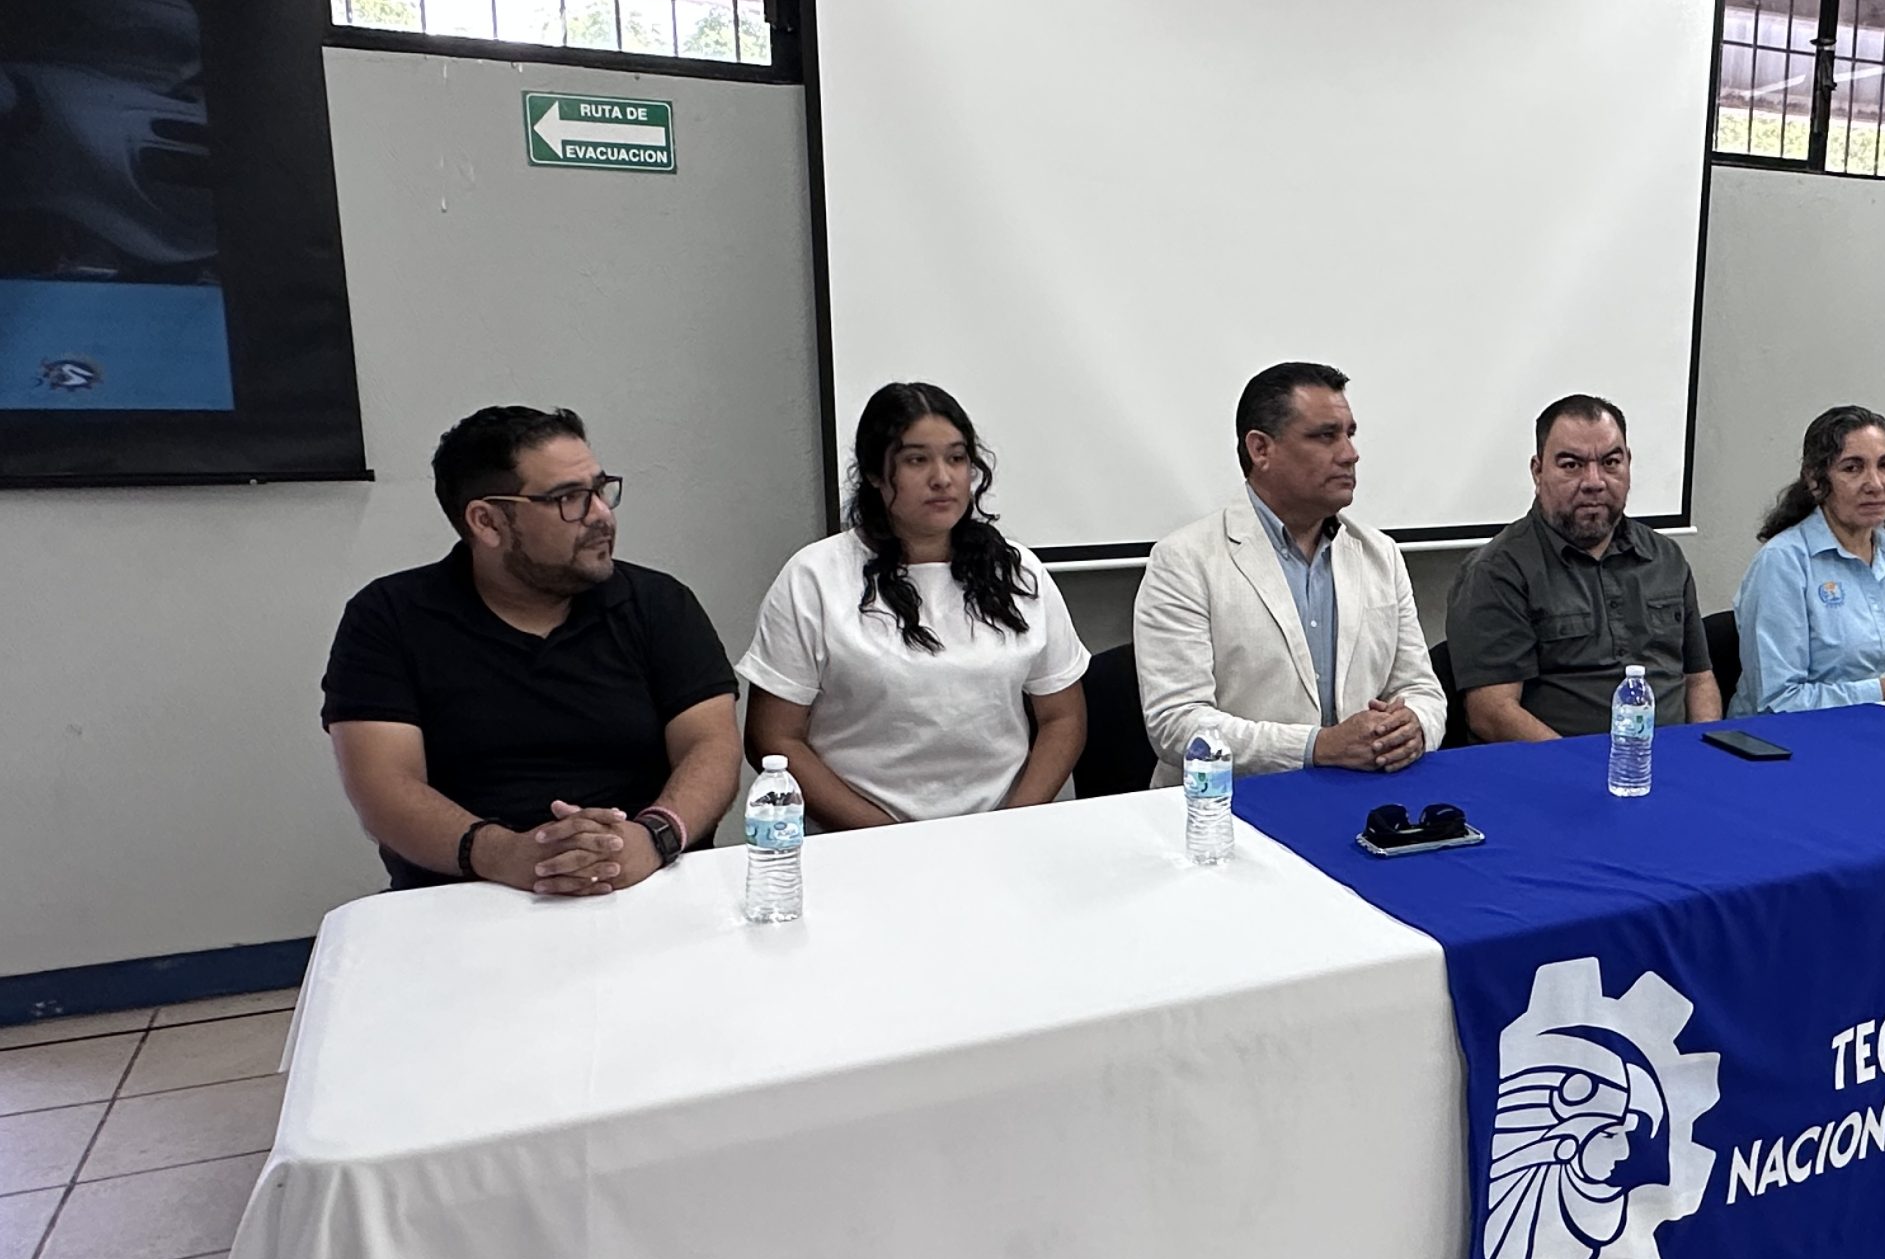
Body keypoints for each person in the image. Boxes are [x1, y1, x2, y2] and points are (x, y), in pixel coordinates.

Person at [323, 406, 742, 894]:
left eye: (601, 489)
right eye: (569, 498)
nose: (601, 514)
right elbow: (385, 788)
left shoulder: (658, 603)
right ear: (487, 521)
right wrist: (507, 855)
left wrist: (654, 837)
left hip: (650, 877)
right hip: (467, 893)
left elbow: (711, 745)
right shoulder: (388, 617)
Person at [738, 382, 1088, 828]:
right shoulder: (814, 577)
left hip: (1000, 837)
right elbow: (774, 737)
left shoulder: (1018, 571)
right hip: (858, 841)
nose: (942, 477)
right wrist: (887, 838)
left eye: (957, 458)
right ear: (875, 473)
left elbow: (1062, 716)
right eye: (916, 460)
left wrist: (1012, 825)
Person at [1133, 361, 1444, 781]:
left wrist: (1416, 726)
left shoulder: (1379, 554)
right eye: (1324, 436)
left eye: (1350, 434)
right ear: (1261, 449)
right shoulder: (1184, 561)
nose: (1350, 454)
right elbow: (1177, 725)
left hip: (1365, 796)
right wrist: (1317, 747)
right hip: (1232, 808)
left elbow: (1422, 689)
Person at [1446, 394, 1719, 741]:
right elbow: (1492, 712)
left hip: (1673, 768)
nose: (1594, 481)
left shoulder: (1665, 558)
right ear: (1538, 470)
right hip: (1556, 774)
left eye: (1610, 462)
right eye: (1572, 465)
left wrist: (1703, 755)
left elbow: (1698, 678)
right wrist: (1583, 771)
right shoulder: (1498, 570)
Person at [1735, 405, 1885, 715]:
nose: (1875, 484)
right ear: (1816, 481)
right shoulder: (1784, 562)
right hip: (1794, 742)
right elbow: (1779, 701)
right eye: (1852, 468)